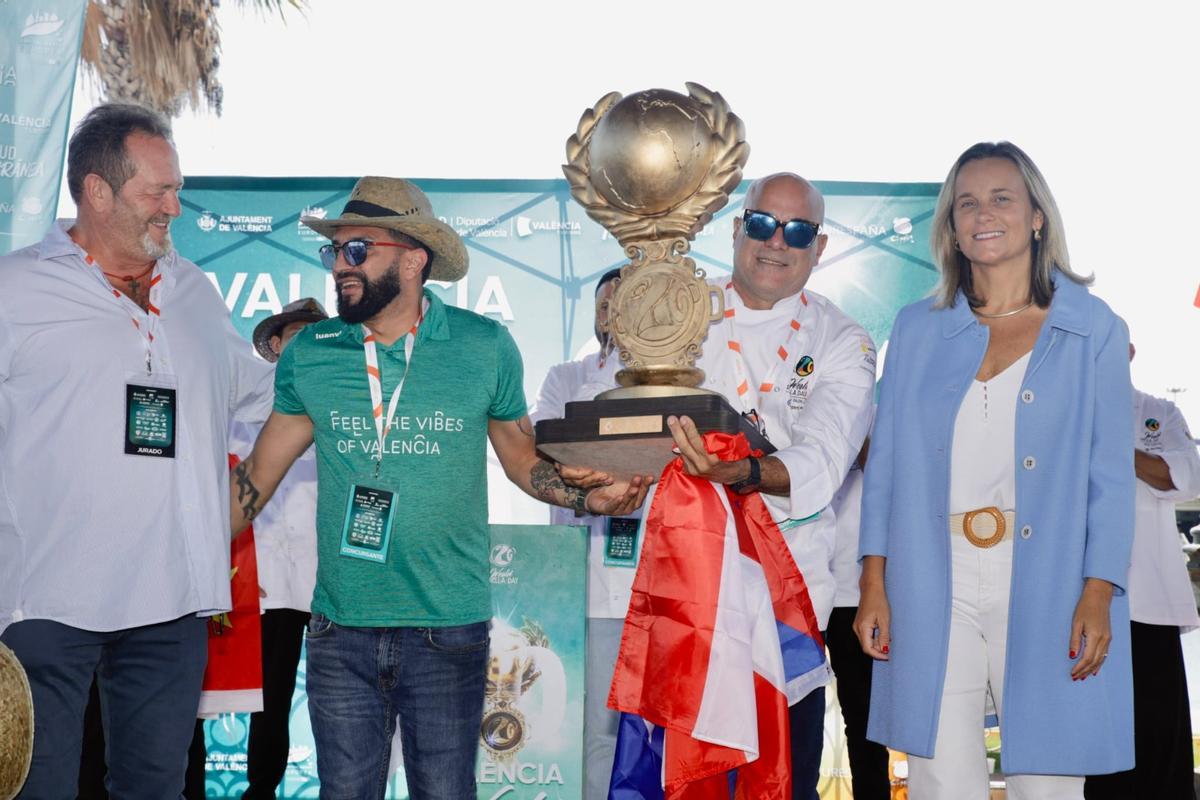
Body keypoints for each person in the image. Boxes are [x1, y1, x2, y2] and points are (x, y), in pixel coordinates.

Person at [228, 177, 648, 799]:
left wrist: (588, 498)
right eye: (333, 252)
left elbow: (521, 458)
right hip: (340, 631)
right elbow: (256, 477)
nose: (339, 267)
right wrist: (181, 557)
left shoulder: (482, 346)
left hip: (447, 630)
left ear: (413, 257)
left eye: (355, 250)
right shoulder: (311, 352)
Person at [0, 103, 273, 799]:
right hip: (46, 602)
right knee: (39, 789)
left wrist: (339, 369)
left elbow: (262, 394)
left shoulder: (195, 292)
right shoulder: (16, 288)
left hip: (172, 602)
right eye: (159, 191)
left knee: (155, 789)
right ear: (96, 191)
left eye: (176, 189)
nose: (175, 208)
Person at [854, 141, 1135, 799]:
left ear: (1037, 215)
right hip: (931, 576)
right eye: (966, 203)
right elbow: (886, 468)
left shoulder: (1092, 328)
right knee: (938, 777)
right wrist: (875, 580)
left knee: (1048, 780)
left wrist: (1098, 592)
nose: (983, 214)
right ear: (950, 226)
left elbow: (1110, 480)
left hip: (1051, 577)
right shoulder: (917, 329)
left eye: (1001, 198)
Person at [666, 173, 876, 799]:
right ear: (736, 229)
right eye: (761, 224)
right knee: (679, 777)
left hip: (788, 590)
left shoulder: (844, 339)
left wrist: (749, 472)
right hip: (686, 585)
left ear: (821, 245)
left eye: (798, 231)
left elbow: (827, 454)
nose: (775, 243)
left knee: (779, 782)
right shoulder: (677, 313)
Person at [529, 267, 632, 799]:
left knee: (631, 732)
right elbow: (548, 444)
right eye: (604, 307)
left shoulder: (674, 380)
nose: (612, 317)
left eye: (625, 306)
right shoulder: (564, 376)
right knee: (586, 727)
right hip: (574, 584)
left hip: (639, 579)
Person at [1084, 353, 1200, 799]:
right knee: (1095, 750)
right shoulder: (1059, 408)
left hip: (1149, 605)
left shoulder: (1159, 413)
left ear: (1128, 352)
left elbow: (1186, 478)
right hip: (1076, 606)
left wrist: (1113, 447)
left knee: (1160, 744)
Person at [239, 298, 328, 799]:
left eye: (319, 336)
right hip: (267, 574)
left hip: (330, 575)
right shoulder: (248, 399)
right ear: (275, 345)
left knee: (338, 696)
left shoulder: (346, 398)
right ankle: (261, 789)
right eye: (297, 337)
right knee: (267, 695)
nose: (308, 346)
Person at [825, 438, 891, 800]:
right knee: (791, 712)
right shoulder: (801, 410)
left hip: (862, 594)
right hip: (805, 587)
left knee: (866, 722)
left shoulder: (882, 420)